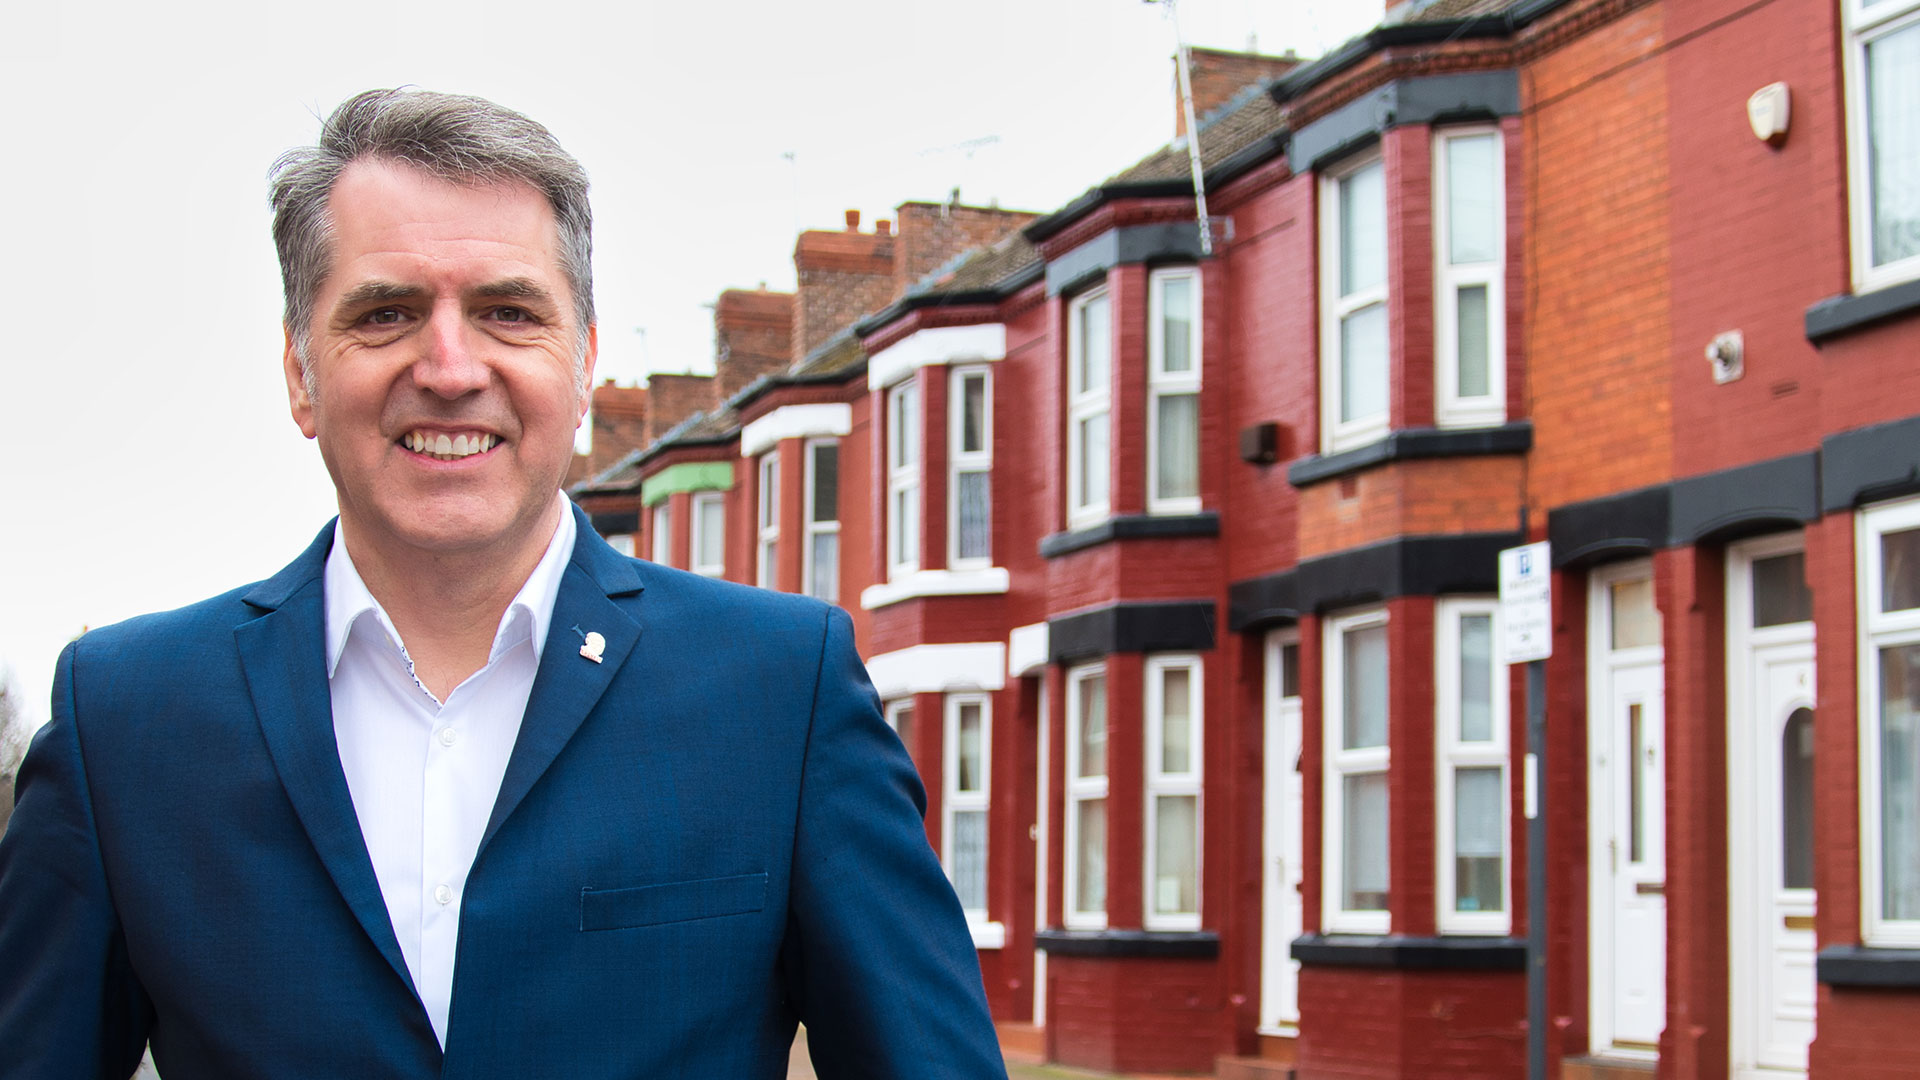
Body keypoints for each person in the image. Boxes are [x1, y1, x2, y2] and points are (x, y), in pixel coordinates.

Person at [0, 88, 1008, 1078]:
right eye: (385, 313)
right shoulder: (126, 720)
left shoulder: (782, 694)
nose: (449, 367)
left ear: (582, 369)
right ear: (301, 374)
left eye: (508, 313)